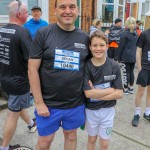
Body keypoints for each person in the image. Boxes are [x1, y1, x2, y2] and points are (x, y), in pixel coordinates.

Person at [28, 0, 89, 149]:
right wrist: (39, 102)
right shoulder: (43, 33)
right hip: (48, 105)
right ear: (55, 10)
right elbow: (32, 69)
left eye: (72, 7)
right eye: (62, 7)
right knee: (45, 141)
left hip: (75, 103)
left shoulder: (85, 38)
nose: (67, 11)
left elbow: (90, 68)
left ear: (78, 11)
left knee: (71, 135)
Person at [0, 1, 36, 150]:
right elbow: (32, 62)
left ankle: (31, 124)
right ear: (20, 15)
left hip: (4, 80)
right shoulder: (23, 32)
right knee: (12, 114)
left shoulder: (1, 31)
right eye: (27, 12)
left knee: (17, 105)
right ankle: (4, 147)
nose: (28, 15)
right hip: (18, 82)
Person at [83, 31, 123, 150]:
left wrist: (95, 93)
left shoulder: (114, 66)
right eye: (95, 45)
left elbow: (119, 93)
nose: (98, 48)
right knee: (92, 139)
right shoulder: (86, 66)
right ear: (90, 47)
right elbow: (88, 93)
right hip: (91, 111)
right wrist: (111, 90)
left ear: (107, 45)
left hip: (108, 110)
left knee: (104, 143)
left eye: (101, 45)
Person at [131, 26, 150, 127]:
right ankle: (137, 114)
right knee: (141, 92)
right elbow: (138, 51)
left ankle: (147, 113)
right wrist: (139, 68)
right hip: (145, 68)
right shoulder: (144, 34)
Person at [115, 17, 138, 94]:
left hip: (125, 56)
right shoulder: (136, 33)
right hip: (133, 56)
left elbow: (120, 46)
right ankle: (131, 87)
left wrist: (117, 57)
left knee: (125, 72)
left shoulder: (124, 33)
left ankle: (125, 88)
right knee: (131, 72)